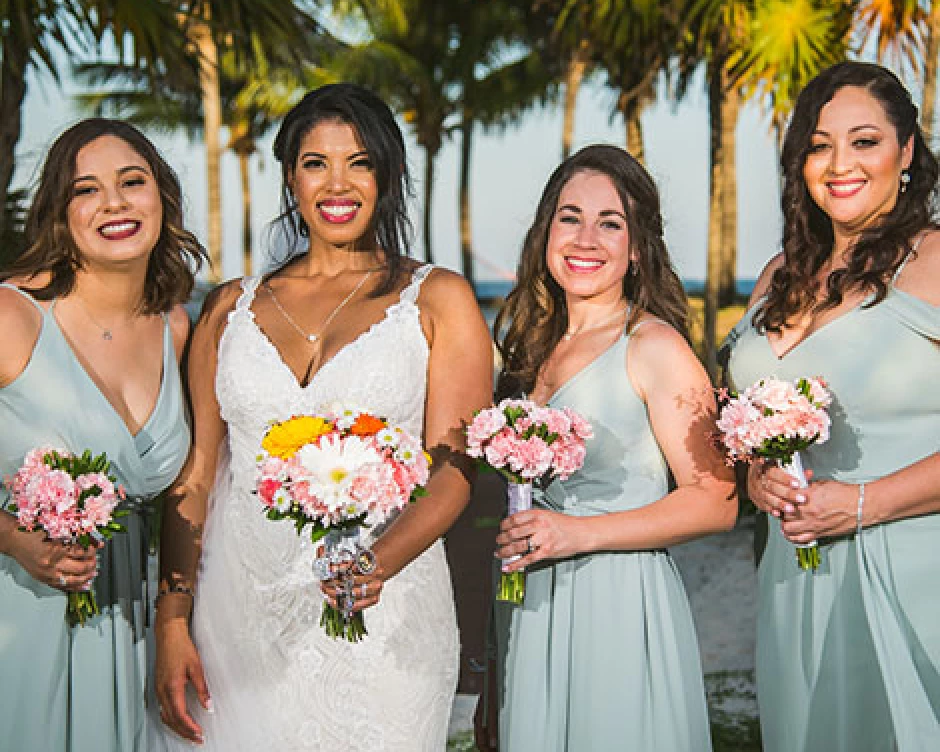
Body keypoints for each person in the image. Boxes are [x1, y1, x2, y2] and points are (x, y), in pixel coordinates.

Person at [152, 83, 492, 751]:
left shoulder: (438, 298)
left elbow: (454, 470)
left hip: (387, 615)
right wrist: (172, 621)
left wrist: (373, 566)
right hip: (242, 615)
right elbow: (195, 477)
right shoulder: (226, 310)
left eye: (359, 162)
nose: (337, 184)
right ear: (290, 176)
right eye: (316, 163)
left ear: (387, 175)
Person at [480, 144, 737, 751]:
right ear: (546, 233)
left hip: (618, 605)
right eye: (569, 217)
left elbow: (717, 500)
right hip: (531, 607)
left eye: (610, 223)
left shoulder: (653, 345)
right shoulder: (530, 352)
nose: (585, 238)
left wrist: (577, 533)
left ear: (638, 248)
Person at [725, 61, 940, 751]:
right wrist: (757, 475)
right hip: (794, 580)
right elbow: (750, 423)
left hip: (913, 574)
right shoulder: (777, 273)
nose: (838, 164)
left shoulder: (936, 260)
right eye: (819, 145)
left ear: (907, 152)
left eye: (865, 141)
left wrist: (862, 502)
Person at [0, 118, 204, 751]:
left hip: (121, 625)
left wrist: (175, 616)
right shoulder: (10, 316)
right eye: (86, 189)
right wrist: (12, 541)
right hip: (15, 616)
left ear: (163, 199)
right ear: (62, 215)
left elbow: (187, 494)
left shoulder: (175, 327)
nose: (114, 203)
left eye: (132, 181)